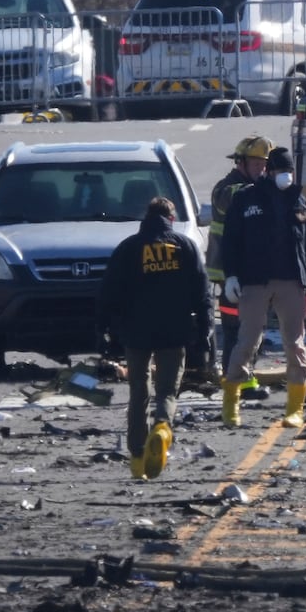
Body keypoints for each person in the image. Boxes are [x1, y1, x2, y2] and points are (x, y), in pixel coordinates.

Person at [97, 196, 213, 480]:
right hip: (174, 331)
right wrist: (206, 329)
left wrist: (106, 330)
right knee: (167, 391)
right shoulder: (184, 247)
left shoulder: (128, 248)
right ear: (171, 219)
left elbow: (108, 293)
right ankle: (162, 427)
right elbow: (202, 291)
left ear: (145, 218)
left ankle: (137, 461)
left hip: (136, 333)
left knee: (138, 392)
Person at [220, 147, 306, 429]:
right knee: (247, 341)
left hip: (291, 281)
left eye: (289, 171)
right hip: (255, 280)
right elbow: (231, 241)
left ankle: (295, 407)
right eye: (280, 171)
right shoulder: (246, 199)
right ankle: (230, 404)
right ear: (269, 172)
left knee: (295, 344)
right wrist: (231, 276)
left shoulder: (297, 201)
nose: (286, 176)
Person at [207, 135, 273, 401]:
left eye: (264, 165)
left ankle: (245, 377)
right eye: (257, 164)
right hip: (228, 275)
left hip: (252, 274)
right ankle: (237, 382)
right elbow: (230, 199)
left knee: (253, 327)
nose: (261, 169)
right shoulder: (225, 189)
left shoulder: (259, 188)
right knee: (236, 328)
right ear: (241, 163)